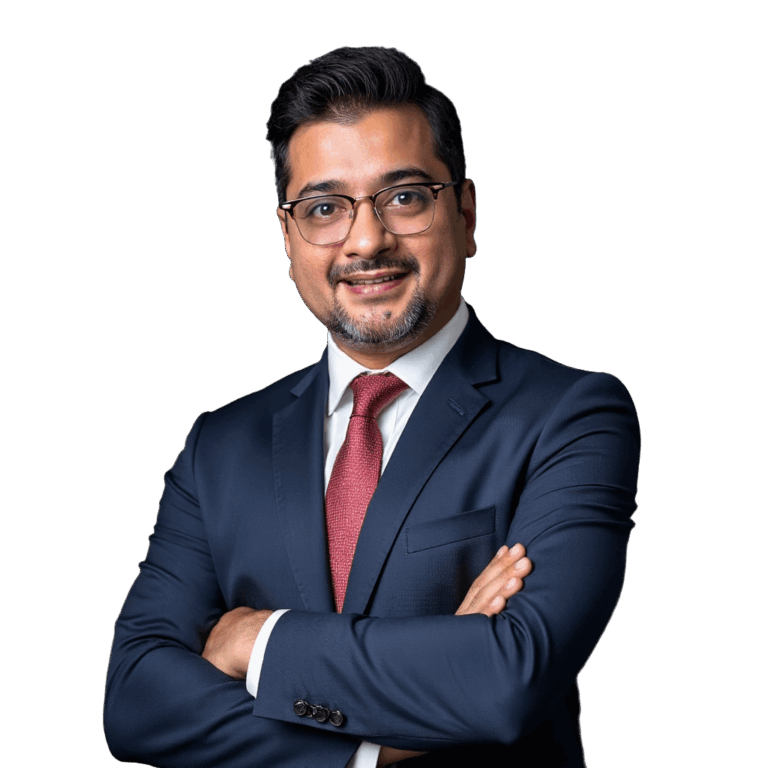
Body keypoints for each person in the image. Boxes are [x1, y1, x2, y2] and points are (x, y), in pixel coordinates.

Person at [104, 45, 641, 767]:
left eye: (406, 196)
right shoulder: (219, 447)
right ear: (287, 236)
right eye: (324, 208)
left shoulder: (569, 415)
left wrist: (253, 640)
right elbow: (136, 701)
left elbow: (506, 679)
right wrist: (379, 742)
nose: (366, 240)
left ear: (467, 211)